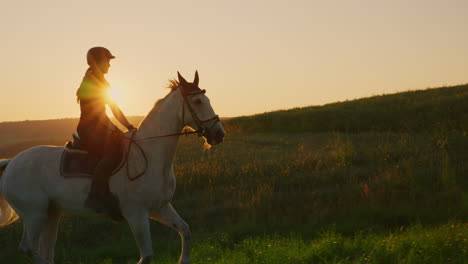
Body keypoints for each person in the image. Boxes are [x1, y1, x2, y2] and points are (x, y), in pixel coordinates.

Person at [76, 47, 135, 220]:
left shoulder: (103, 83)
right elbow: (97, 113)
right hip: (89, 129)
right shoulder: (89, 82)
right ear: (96, 62)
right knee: (112, 153)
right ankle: (95, 196)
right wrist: (113, 129)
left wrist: (129, 125)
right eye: (106, 61)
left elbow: (114, 109)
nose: (109, 64)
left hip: (99, 127)